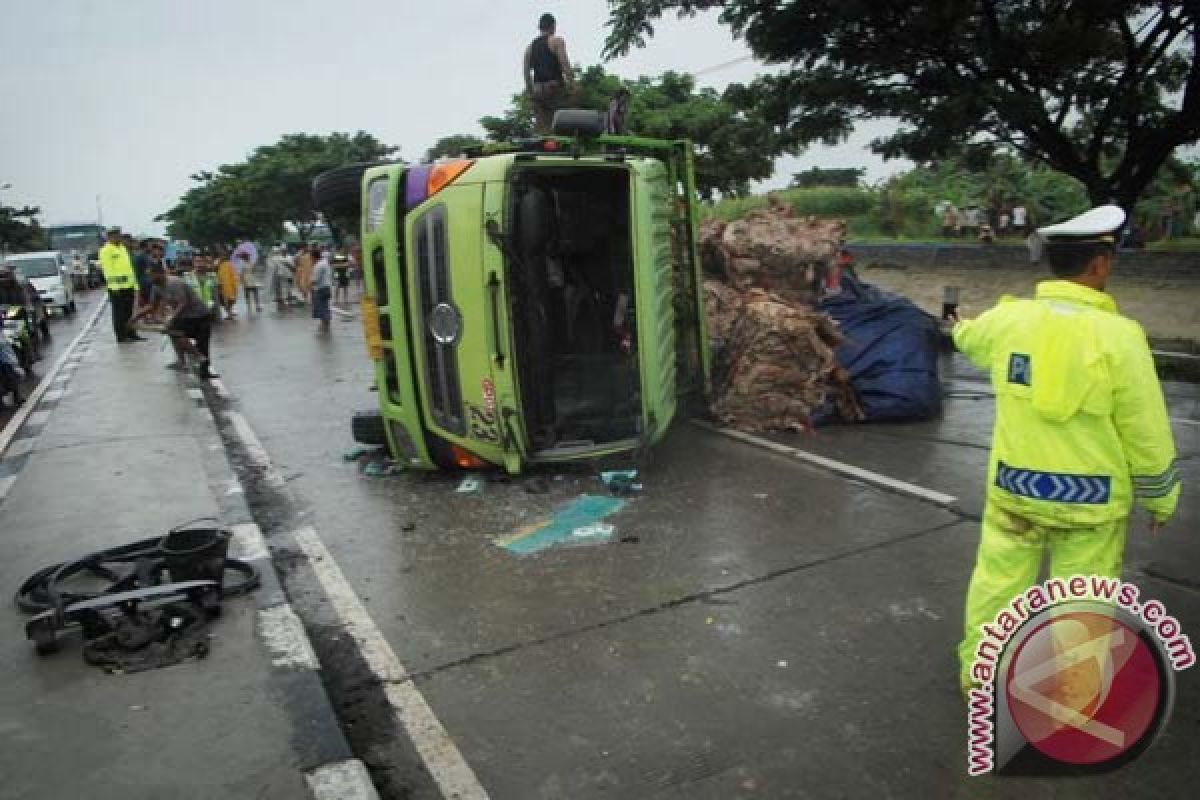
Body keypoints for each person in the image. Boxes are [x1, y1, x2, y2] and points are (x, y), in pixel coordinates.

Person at [952, 205, 1181, 694]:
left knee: (998, 585)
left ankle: (982, 674)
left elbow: (967, 338)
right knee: (1081, 598)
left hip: (1015, 490)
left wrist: (961, 323)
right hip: (1091, 504)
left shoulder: (1007, 321)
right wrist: (1160, 496)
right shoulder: (1121, 337)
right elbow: (1146, 428)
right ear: (1099, 265)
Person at [133, 263, 218, 380]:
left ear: (160, 273)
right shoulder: (156, 287)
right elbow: (151, 306)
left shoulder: (174, 283)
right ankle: (187, 358)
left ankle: (204, 370)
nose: (150, 279)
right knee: (174, 332)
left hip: (200, 315)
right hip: (185, 316)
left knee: (202, 343)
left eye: (152, 275)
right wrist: (136, 316)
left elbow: (182, 303)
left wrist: (172, 318)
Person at [524, 13, 574, 134]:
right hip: (554, 88)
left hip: (537, 90)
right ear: (553, 26)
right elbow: (564, 64)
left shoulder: (529, 48)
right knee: (560, 124)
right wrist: (572, 85)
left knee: (542, 127)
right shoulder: (557, 41)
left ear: (540, 27)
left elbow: (526, 73)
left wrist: (531, 93)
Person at [98, 227, 145, 343]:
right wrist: (114, 287)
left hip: (128, 285)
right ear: (109, 237)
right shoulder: (106, 250)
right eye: (115, 235)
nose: (118, 237)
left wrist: (135, 285)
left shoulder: (123, 248)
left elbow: (129, 269)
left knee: (129, 311)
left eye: (118, 235)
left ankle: (132, 333)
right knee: (119, 313)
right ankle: (121, 336)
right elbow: (107, 270)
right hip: (116, 288)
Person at [311, 246, 332, 332]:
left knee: (321, 308)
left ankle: (324, 326)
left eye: (311, 257)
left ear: (313, 257)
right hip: (327, 287)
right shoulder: (325, 262)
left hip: (321, 289)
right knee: (325, 306)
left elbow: (315, 280)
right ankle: (326, 325)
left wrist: (309, 285)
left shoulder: (318, 265)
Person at [215, 249, 238, 319]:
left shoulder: (229, 264)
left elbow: (234, 274)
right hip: (221, 285)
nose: (222, 257)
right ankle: (229, 313)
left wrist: (235, 283)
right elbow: (215, 270)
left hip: (229, 285)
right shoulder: (217, 263)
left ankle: (230, 313)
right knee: (222, 300)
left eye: (224, 255)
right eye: (221, 255)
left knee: (230, 300)